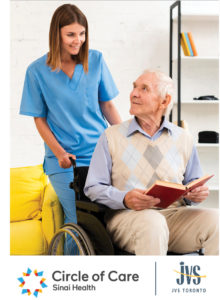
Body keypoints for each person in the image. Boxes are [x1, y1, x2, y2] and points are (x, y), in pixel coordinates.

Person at [19, 3, 121, 252]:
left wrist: (128, 141)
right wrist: (60, 152)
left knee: (105, 220)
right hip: (65, 160)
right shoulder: (36, 71)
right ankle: (69, 283)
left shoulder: (95, 60)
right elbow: (39, 119)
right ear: (57, 35)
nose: (78, 40)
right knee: (79, 221)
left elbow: (107, 106)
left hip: (101, 155)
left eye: (82, 34)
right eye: (71, 34)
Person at [84, 70, 219, 255]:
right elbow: (93, 187)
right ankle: (154, 284)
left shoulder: (183, 138)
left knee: (217, 220)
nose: (134, 93)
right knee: (153, 223)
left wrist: (195, 194)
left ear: (164, 101)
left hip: (174, 217)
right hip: (128, 218)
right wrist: (124, 198)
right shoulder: (111, 136)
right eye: (134, 87)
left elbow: (192, 184)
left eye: (144, 89)